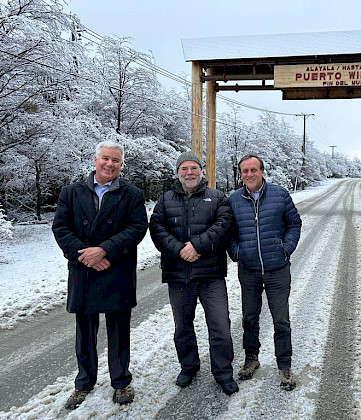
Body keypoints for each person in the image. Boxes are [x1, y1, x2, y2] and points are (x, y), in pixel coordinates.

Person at [52, 140, 148, 409]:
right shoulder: (71, 192)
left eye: (115, 160)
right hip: (84, 270)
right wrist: (87, 255)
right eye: (105, 158)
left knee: (119, 331)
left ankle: (120, 381)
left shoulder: (132, 194)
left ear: (121, 164)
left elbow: (137, 228)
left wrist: (104, 251)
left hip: (116, 269)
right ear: (95, 160)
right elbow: (61, 228)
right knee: (84, 331)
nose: (110, 164)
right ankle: (84, 382)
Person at [149, 151, 238, 396]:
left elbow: (223, 226)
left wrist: (197, 246)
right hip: (179, 275)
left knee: (220, 325)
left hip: (211, 275)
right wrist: (180, 250)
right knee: (183, 326)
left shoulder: (217, 197)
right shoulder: (166, 199)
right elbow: (156, 228)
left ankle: (223, 372)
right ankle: (189, 366)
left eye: (194, 168)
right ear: (178, 173)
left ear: (201, 171)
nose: (189, 173)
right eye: (184, 169)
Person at [228, 154, 302, 391]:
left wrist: (286, 249)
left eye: (253, 170)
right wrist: (237, 252)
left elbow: (294, 223)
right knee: (249, 317)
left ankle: (285, 365)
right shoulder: (234, 199)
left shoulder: (279, 194)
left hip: (277, 269)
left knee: (281, 319)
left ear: (262, 171)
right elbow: (228, 232)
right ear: (241, 175)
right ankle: (252, 358)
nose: (249, 175)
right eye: (244, 171)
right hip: (248, 269)